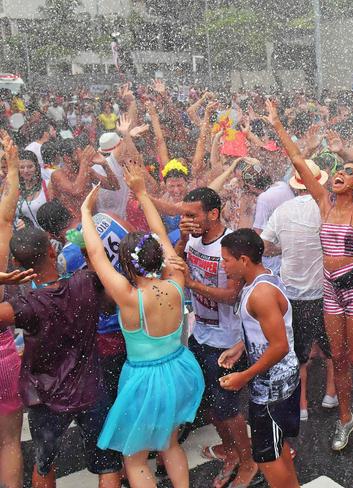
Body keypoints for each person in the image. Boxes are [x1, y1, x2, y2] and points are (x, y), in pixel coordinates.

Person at [267, 99, 353, 457]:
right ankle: (346, 418)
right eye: (338, 170)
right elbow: (298, 162)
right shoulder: (324, 204)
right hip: (331, 291)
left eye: (349, 172)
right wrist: (277, 122)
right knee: (338, 356)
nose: (340, 173)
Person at [86, 166, 205, 488]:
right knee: (170, 443)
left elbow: (96, 252)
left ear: (126, 263)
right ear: (158, 259)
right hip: (180, 368)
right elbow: (162, 235)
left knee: (135, 457)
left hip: (144, 378)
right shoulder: (176, 280)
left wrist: (86, 211)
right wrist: (140, 192)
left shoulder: (128, 297)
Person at [0, 225, 123, 488]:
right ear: (51, 252)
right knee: (109, 464)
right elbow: (111, 301)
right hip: (91, 390)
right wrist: (87, 252)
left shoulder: (26, 305)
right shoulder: (85, 283)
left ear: (17, 264)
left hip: (46, 398)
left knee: (44, 465)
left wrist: (2, 280)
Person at [175, 187, 259, 488]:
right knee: (207, 401)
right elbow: (175, 260)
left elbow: (232, 295)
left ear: (213, 213)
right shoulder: (193, 238)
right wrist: (184, 238)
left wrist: (194, 286)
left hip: (226, 341)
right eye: (184, 215)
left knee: (229, 408)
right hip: (200, 334)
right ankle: (231, 452)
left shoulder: (230, 245)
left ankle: (249, 463)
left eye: (192, 214)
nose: (187, 220)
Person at [219, 229, 300, 488]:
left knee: (266, 458)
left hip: (272, 389)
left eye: (226, 260)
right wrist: (241, 346)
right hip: (279, 383)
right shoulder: (263, 281)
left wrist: (244, 376)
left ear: (244, 260)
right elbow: (271, 329)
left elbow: (279, 346)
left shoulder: (261, 294)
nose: (223, 266)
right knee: (278, 447)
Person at [261, 159, 337, 421]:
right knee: (330, 348)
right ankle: (330, 394)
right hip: (323, 291)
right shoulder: (327, 209)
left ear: (295, 185)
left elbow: (263, 245)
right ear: (320, 183)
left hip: (291, 293)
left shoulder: (282, 211)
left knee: (299, 353)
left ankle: (302, 405)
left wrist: (284, 249)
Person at [0, 134, 36, 488]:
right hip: (3, 352)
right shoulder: (0, 237)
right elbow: (9, 210)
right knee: (9, 441)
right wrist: (11, 167)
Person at [50, 140, 119, 220]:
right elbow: (76, 191)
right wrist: (84, 162)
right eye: (83, 154)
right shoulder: (57, 175)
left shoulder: (87, 171)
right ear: (67, 158)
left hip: (93, 219)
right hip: (75, 226)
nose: (86, 157)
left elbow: (114, 186)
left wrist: (105, 164)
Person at [15, 149, 49, 228]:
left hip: (47, 237)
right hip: (26, 237)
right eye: (22, 167)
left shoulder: (47, 185)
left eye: (30, 167)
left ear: (36, 167)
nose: (26, 170)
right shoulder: (15, 190)